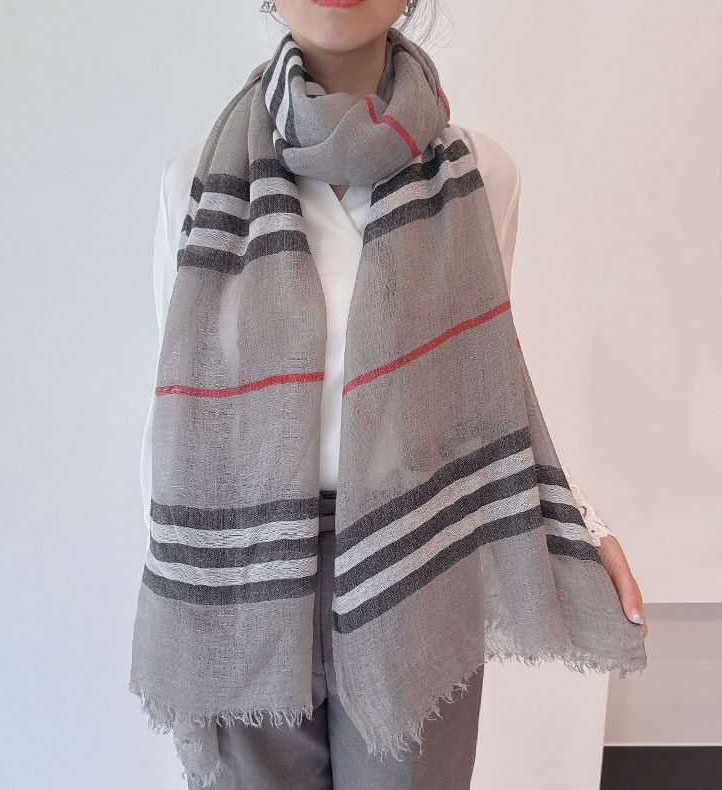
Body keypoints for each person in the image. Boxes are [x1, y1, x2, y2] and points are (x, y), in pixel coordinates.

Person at [132, 2, 648, 787]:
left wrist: (582, 521)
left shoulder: (482, 177)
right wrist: (184, 596)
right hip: (241, 573)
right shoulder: (195, 183)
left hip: (423, 552)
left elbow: (484, 394)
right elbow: (176, 425)